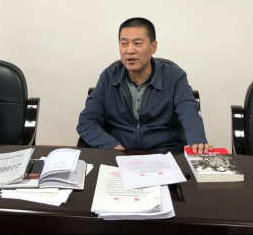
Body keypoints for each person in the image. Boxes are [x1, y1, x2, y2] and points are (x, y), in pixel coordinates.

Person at [76, 17, 212, 153]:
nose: (130, 50)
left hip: (166, 153)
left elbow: (189, 112)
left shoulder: (174, 77)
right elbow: (86, 121)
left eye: (137, 43)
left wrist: (197, 143)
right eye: (124, 44)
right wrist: (113, 147)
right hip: (121, 152)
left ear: (153, 47)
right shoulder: (109, 77)